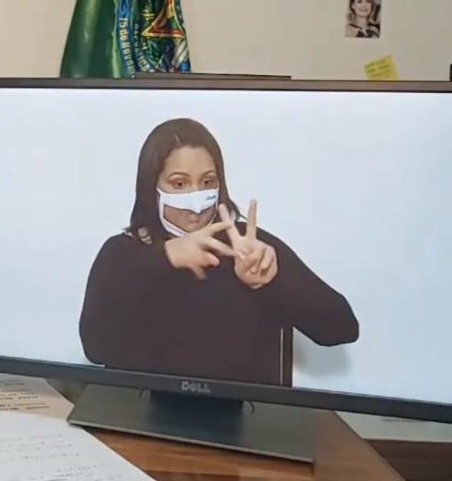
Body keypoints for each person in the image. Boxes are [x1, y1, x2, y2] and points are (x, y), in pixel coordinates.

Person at [79, 118, 359, 386]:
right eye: (179, 183)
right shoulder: (122, 254)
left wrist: (270, 280)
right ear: (151, 186)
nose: (196, 199)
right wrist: (165, 258)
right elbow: (96, 348)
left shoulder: (249, 245)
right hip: (139, 413)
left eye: (207, 182)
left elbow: (341, 328)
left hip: (244, 415)